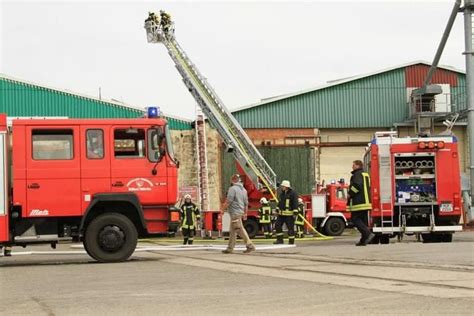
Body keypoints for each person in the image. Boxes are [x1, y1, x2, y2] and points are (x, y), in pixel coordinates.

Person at [221, 174, 256, 254]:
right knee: (233, 231)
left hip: (234, 213)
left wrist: (222, 209)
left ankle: (250, 245)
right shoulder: (244, 190)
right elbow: (246, 203)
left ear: (233, 180)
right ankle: (230, 248)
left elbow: (228, 201)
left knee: (239, 229)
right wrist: (245, 213)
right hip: (240, 212)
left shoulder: (232, 189)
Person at [347, 160, 375, 246]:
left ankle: (367, 234)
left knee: (355, 220)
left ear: (358, 166)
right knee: (363, 221)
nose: (352, 167)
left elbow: (357, 186)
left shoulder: (357, 174)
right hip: (366, 202)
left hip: (359, 202)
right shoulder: (365, 174)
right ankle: (363, 240)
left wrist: (350, 194)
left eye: (353, 165)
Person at [274, 180, 298, 245]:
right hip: (281, 214)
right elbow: (280, 203)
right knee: (277, 225)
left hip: (289, 215)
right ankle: (279, 240)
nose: (282, 187)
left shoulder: (293, 194)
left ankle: (291, 241)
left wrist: (295, 213)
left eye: (283, 186)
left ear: (286, 187)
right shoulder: (282, 193)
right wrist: (277, 210)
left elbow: (295, 203)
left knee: (290, 228)